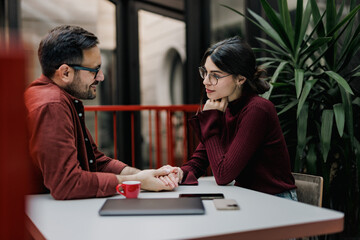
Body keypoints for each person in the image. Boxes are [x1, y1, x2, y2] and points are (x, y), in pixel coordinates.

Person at [25, 25, 178, 200]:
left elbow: (95, 161)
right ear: (65, 72)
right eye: (94, 70)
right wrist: (136, 181)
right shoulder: (52, 105)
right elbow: (67, 184)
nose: (101, 77)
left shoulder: (57, 98)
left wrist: (144, 175)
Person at [161, 36, 297, 200]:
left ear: (240, 78)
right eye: (205, 73)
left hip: (277, 200)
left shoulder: (257, 109)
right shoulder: (222, 106)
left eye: (215, 75)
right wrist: (178, 173)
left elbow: (223, 175)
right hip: (247, 197)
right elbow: (198, 162)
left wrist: (210, 118)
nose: (205, 81)